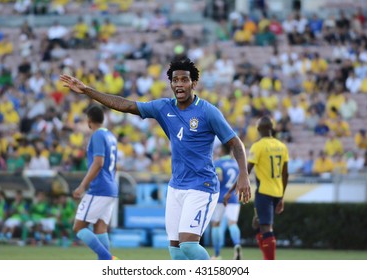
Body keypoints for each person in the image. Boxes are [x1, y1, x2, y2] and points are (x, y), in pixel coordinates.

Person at [60, 57, 251, 260]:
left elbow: (235, 143)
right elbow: (126, 105)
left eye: (184, 80)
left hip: (201, 186)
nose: (179, 84)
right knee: (176, 251)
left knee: (188, 246)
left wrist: (244, 175)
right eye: (175, 80)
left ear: (193, 83)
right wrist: (88, 90)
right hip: (176, 186)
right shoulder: (164, 108)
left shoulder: (208, 112)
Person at [72, 105, 119, 260]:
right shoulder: (110, 136)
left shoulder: (97, 135)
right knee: (100, 228)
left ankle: (109, 259)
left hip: (99, 188)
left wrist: (82, 185)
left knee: (79, 227)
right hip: (111, 187)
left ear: (89, 121)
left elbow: (98, 162)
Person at [247, 116, 289, 260]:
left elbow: (246, 171)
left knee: (265, 228)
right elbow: (285, 174)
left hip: (264, 191)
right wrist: (282, 197)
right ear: (272, 128)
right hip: (277, 191)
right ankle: (267, 260)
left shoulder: (258, 146)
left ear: (258, 129)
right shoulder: (282, 146)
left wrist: (230, 191)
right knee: (258, 224)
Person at [210, 144, 242, 260]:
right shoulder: (236, 164)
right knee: (232, 223)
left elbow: (219, 178)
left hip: (220, 197)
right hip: (233, 197)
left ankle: (217, 254)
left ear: (222, 150)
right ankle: (237, 245)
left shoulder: (218, 163)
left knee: (216, 224)